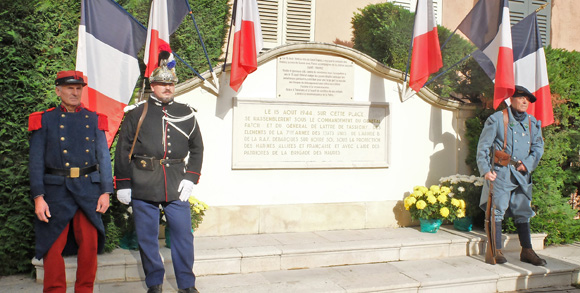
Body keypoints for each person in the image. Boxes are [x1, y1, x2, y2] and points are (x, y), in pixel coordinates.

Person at [114, 51, 203, 293]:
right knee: (147, 238)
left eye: (171, 83)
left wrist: (191, 177)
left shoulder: (186, 113)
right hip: (143, 180)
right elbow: (123, 149)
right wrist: (123, 183)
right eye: (162, 83)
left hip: (176, 182)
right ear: (152, 86)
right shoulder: (137, 113)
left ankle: (186, 284)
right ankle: (154, 282)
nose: (167, 87)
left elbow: (197, 149)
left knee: (184, 236)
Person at [28, 70, 113, 292]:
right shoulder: (45, 119)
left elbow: (104, 157)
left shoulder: (94, 119)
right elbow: (36, 162)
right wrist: (38, 197)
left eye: (78, 88)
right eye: (69, 88)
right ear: (58, 91)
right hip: (56, 191)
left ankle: (84, 290)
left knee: (90, 245)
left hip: (88, 189)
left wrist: (106, 191)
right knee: (52, 246)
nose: (75, 92)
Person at [476, 85, 546, 266]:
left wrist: (528, 163)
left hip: (522, 174)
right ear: (511, 99)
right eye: (521, 98)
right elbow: (483, 147)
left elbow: (538, 147)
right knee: (496, 211)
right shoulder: (498, 119)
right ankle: (496, 250)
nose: (525, 102)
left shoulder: (532, 122)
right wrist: (485, 170)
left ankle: (527, 250)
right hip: (501, 173)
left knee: (523, 212)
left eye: (528, 99)